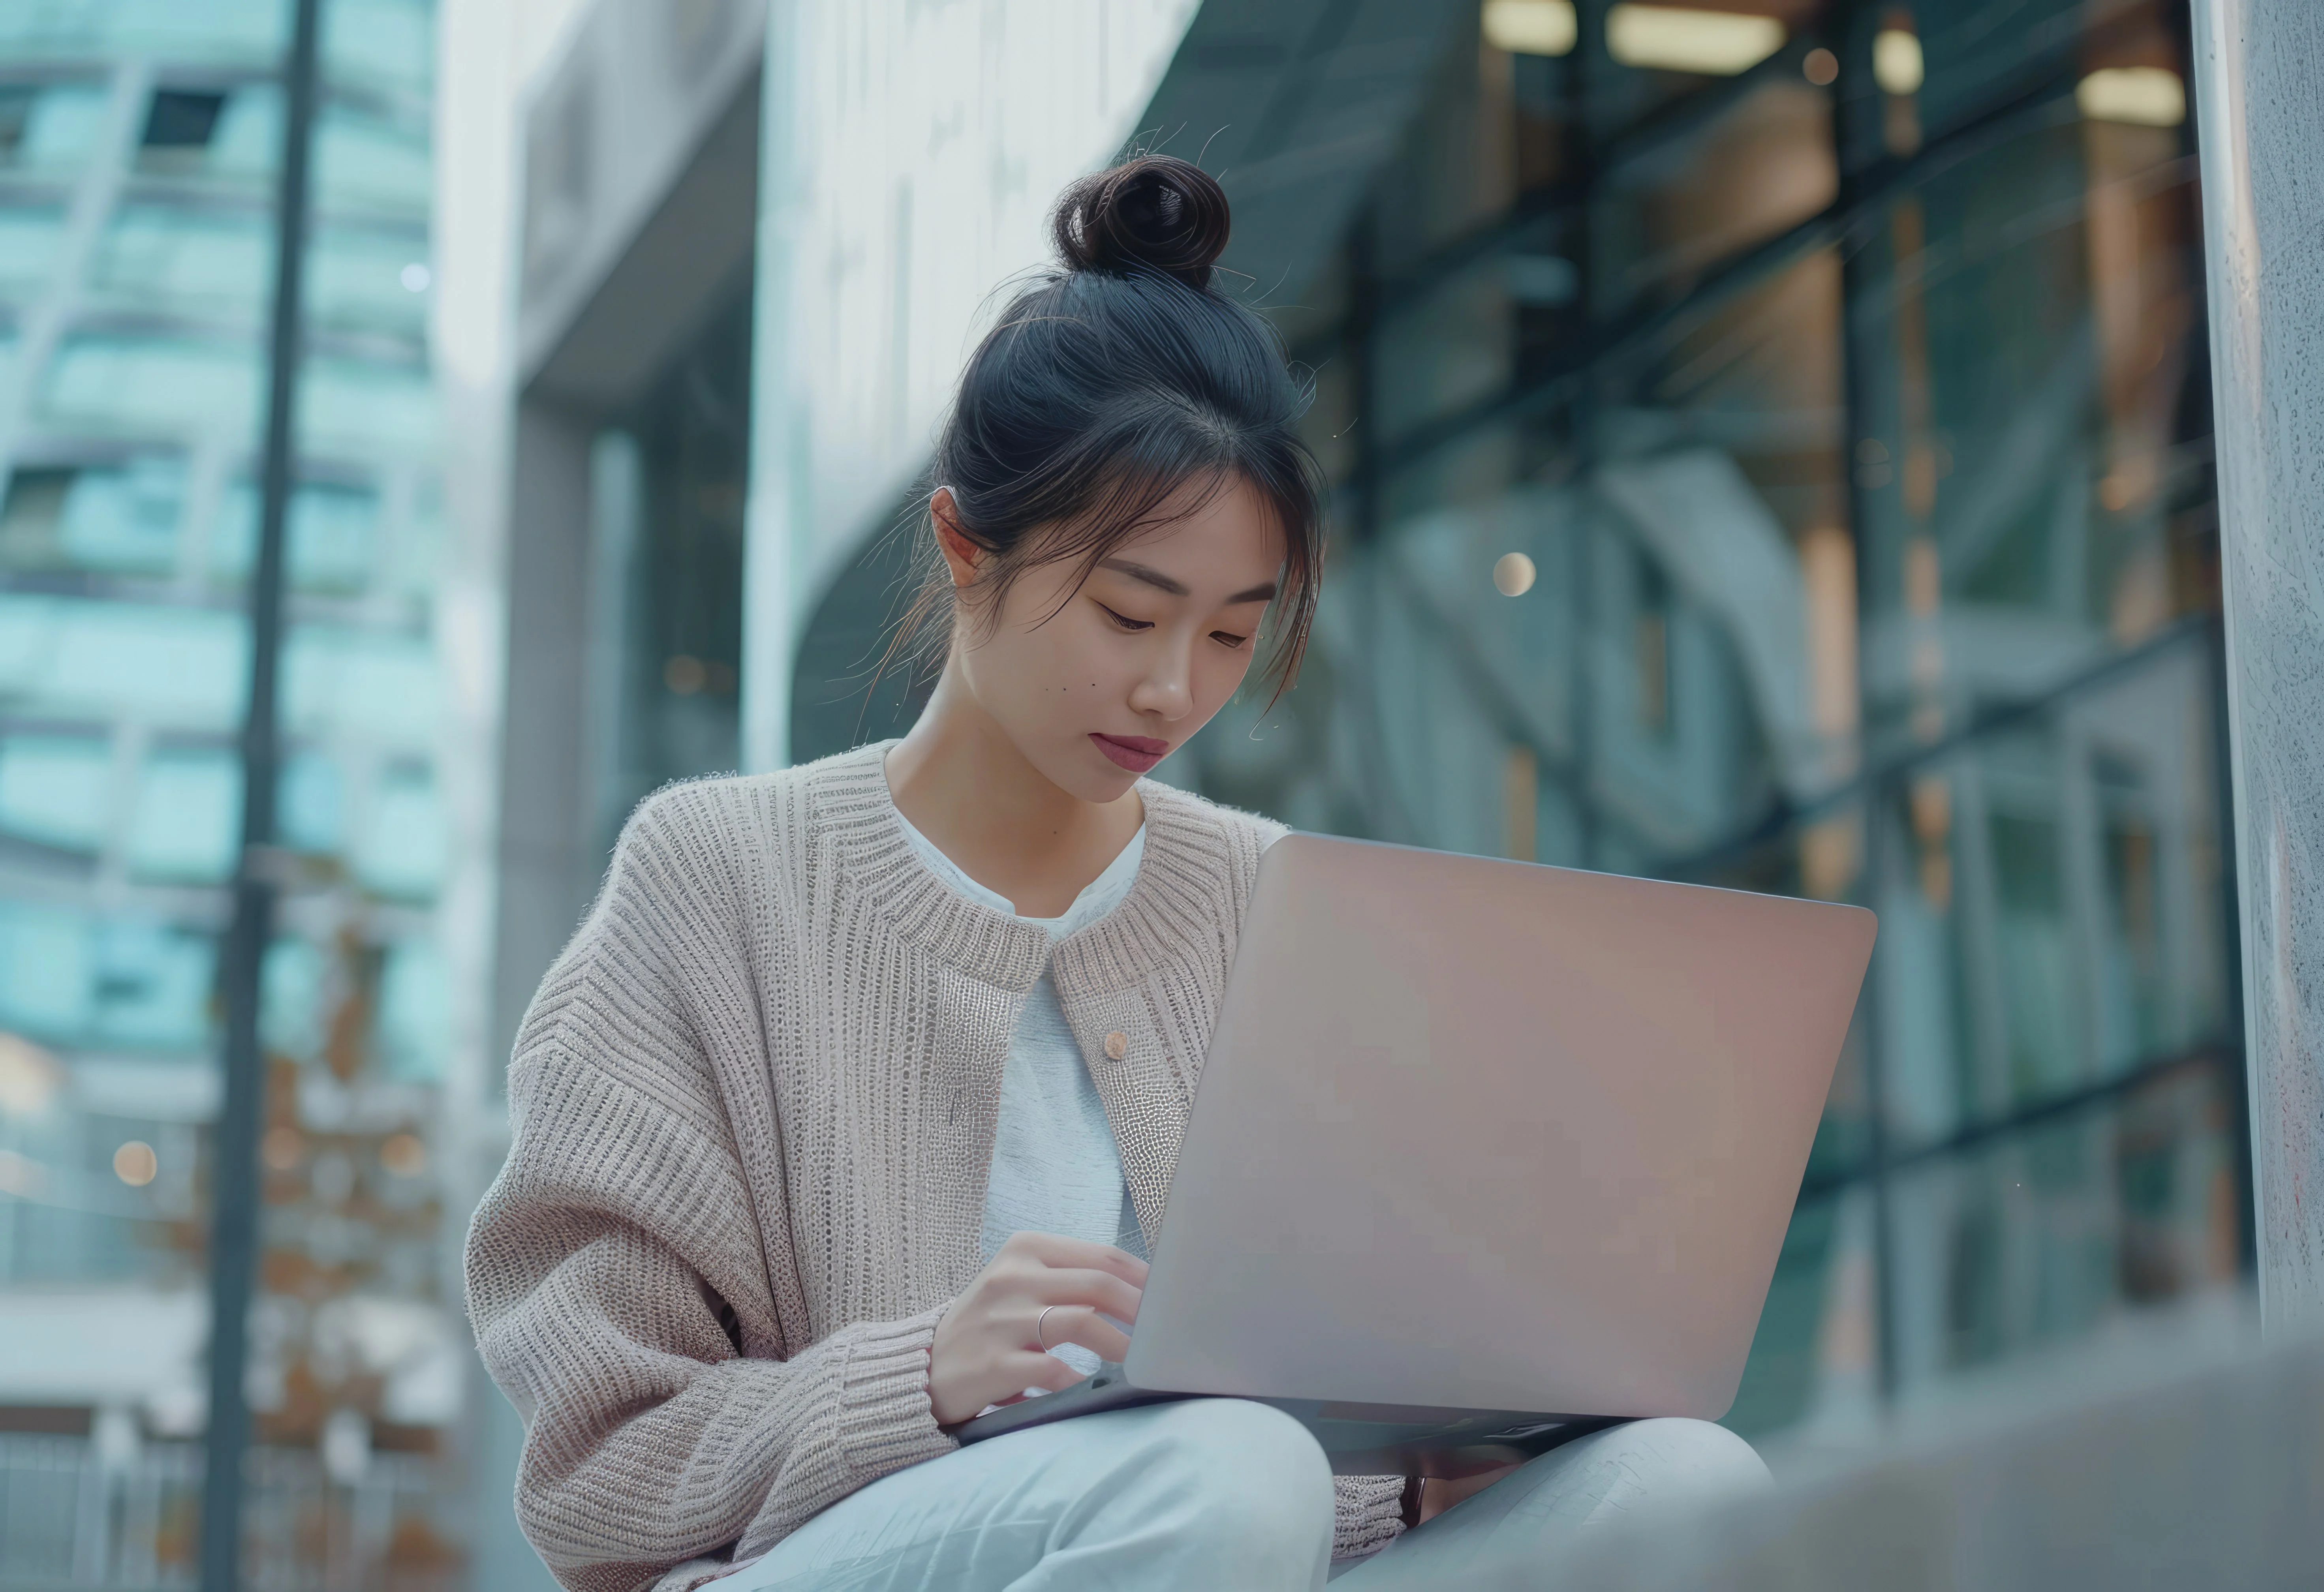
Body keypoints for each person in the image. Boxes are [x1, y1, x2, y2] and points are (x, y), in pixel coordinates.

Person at [464, 154, 1767, 1592]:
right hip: (861, 1558)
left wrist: (1462, 1435)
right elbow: (598, 1476)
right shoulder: (718, 879)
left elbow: (1351, 1443)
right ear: (967, 545)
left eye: (1228, 635)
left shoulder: (1278, 898)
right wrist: (925, 1377)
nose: (1170, 690)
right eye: (1131, 611)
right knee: (1225, 1468)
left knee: (1690, 1486)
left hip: (1242, 1541)